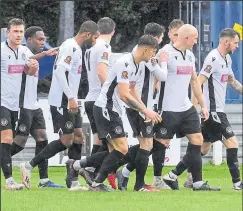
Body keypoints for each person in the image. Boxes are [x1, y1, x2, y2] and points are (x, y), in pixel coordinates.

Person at [66, 34, 162, 191]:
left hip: (113, 110)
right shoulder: (124, 63)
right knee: (122, 149)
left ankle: (76, 165)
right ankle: (96, 182)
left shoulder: (137, 65)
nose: (153, 56)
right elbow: (124, 95)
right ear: (145, 49)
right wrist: (145, 110)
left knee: (114, 153)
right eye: (153, 52)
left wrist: (144, 110)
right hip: (106, 108)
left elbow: (133, 89)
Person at [19, 20, 99, 191]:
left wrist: (73, 97)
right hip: (63, 100)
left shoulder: (72, 46)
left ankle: (73, 181)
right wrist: (70, 97)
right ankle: (29, 165)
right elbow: (59, 71)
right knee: (66, 140)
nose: (95, 41)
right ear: (88, 34)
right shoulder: (71, 46)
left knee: (79, 137)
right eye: (95, 37)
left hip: (70, 99)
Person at [117, 20, 185, 191]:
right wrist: (162, 61)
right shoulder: (148, 54)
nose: (160, 43)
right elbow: (162, 76)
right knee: (147, 145)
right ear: (155, 38)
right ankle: (134, 181)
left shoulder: (142, 52)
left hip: (142, 104)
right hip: (140, 105)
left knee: (146, 145)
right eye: (161, 38)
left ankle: (125, 174)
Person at [154, 24, 220, 191]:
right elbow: (155, 81)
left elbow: (195, 81)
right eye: (195, 38)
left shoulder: (190, 56)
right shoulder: (165, 53)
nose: (196, 42)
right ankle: (130, 170)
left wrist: (203, 105)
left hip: (186, 107)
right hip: (168, 108)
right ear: (185, 38)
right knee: (159, 144)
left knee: (197, 139)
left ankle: (197, 182)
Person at [183, 28, 242, 190]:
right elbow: (198, 82)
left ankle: (179, 176)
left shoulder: (227, 59)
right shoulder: (213, 58)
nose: (237, 46)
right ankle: (237, 183)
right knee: (232, 142)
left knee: (203, 147)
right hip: (213, 111)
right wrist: (194, 108)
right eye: (236, 43)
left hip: (216, 110)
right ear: (226, 42)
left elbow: (232, 82)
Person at [9, 26, 64, 188]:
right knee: (19, 143)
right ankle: (5, 163)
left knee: (42, 138)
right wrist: (45, 54)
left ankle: (44, 180)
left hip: (34, 105)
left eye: (44, 40)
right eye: (40, 39)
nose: (43, 42)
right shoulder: (22, 52)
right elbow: (23, 67)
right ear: (30, 40)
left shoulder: (33, 57)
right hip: (23, 105)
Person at [1, 18, 39, 190]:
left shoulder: (25, 51)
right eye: (15, 31)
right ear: (7, 32)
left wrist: (34, 66)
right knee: (7, 139)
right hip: (1, 101)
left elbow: (29, 73)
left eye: (21, 32)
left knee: (9, 141)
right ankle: (9, 181)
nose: (18, 35)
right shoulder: (1, 51)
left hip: (15, 104)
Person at [81, 17, 117, 189]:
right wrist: (111, 96)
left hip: (90, 97)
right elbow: (102, 73)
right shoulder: (104, 46)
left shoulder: (91, 47)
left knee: (100, 140)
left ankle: (91, 172)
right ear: (113, 31)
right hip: (99, 99)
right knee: (114, 143)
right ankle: (86, 169)